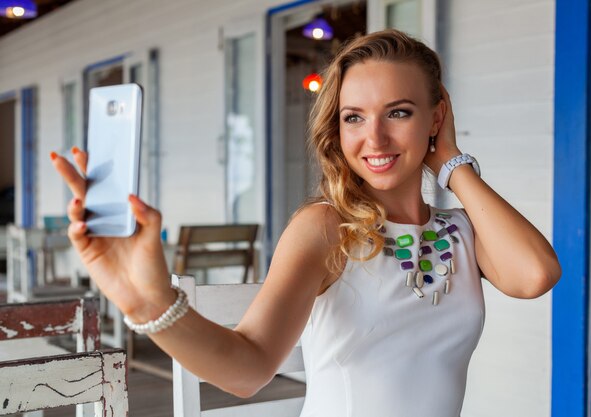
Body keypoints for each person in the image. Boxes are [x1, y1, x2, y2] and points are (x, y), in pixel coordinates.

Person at [51, 29, 561, 417]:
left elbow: (535, 275)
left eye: (400, 113)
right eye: (354, 117)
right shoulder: (325, 228)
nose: (375, 138)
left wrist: (450, 162)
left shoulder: (462, 230)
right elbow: (248, 370)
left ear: (436, 117)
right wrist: (148, 302)